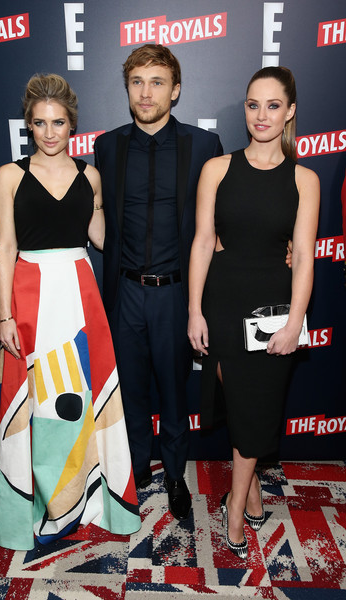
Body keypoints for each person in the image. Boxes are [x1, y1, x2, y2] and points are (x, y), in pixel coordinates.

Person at [0, 74, 141, 551]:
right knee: (32, 402)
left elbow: (102, 238)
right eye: (40, 123)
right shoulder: (9, 176)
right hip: (29, 296)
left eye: (58, 123)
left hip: (79, 295)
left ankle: (88, 499)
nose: (49, 133)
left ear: (73, 124)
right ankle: (31, 504)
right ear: (29, 125)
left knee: (82, 395)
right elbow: (5, 248)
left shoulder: (90, 176)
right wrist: (4, 315)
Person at [187, 66, 320, 559]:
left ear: (290, 112)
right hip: (222, 302)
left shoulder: (304, 179)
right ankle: (252, 492)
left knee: (255, 406)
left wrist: (295, 322)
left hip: (273, 309)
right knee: (243, 405)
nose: (261, 115)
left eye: (273, 105)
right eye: (253, 104)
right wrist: (194, 310)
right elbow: (203, 242)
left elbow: (303, 255)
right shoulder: (217, 169)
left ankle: (235, 508)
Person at [94, 44, 223, 521]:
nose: (145, 93)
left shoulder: (203, 146)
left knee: (173, 390)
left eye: (157, 82)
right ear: (127, 89)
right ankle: (135, 467)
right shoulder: (107, 146)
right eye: (137, 82)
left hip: (176, 292)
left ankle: (173, 473)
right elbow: (94, 214)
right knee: (129, 390)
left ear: (176, 90)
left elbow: (222, 219)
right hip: (124, 290)